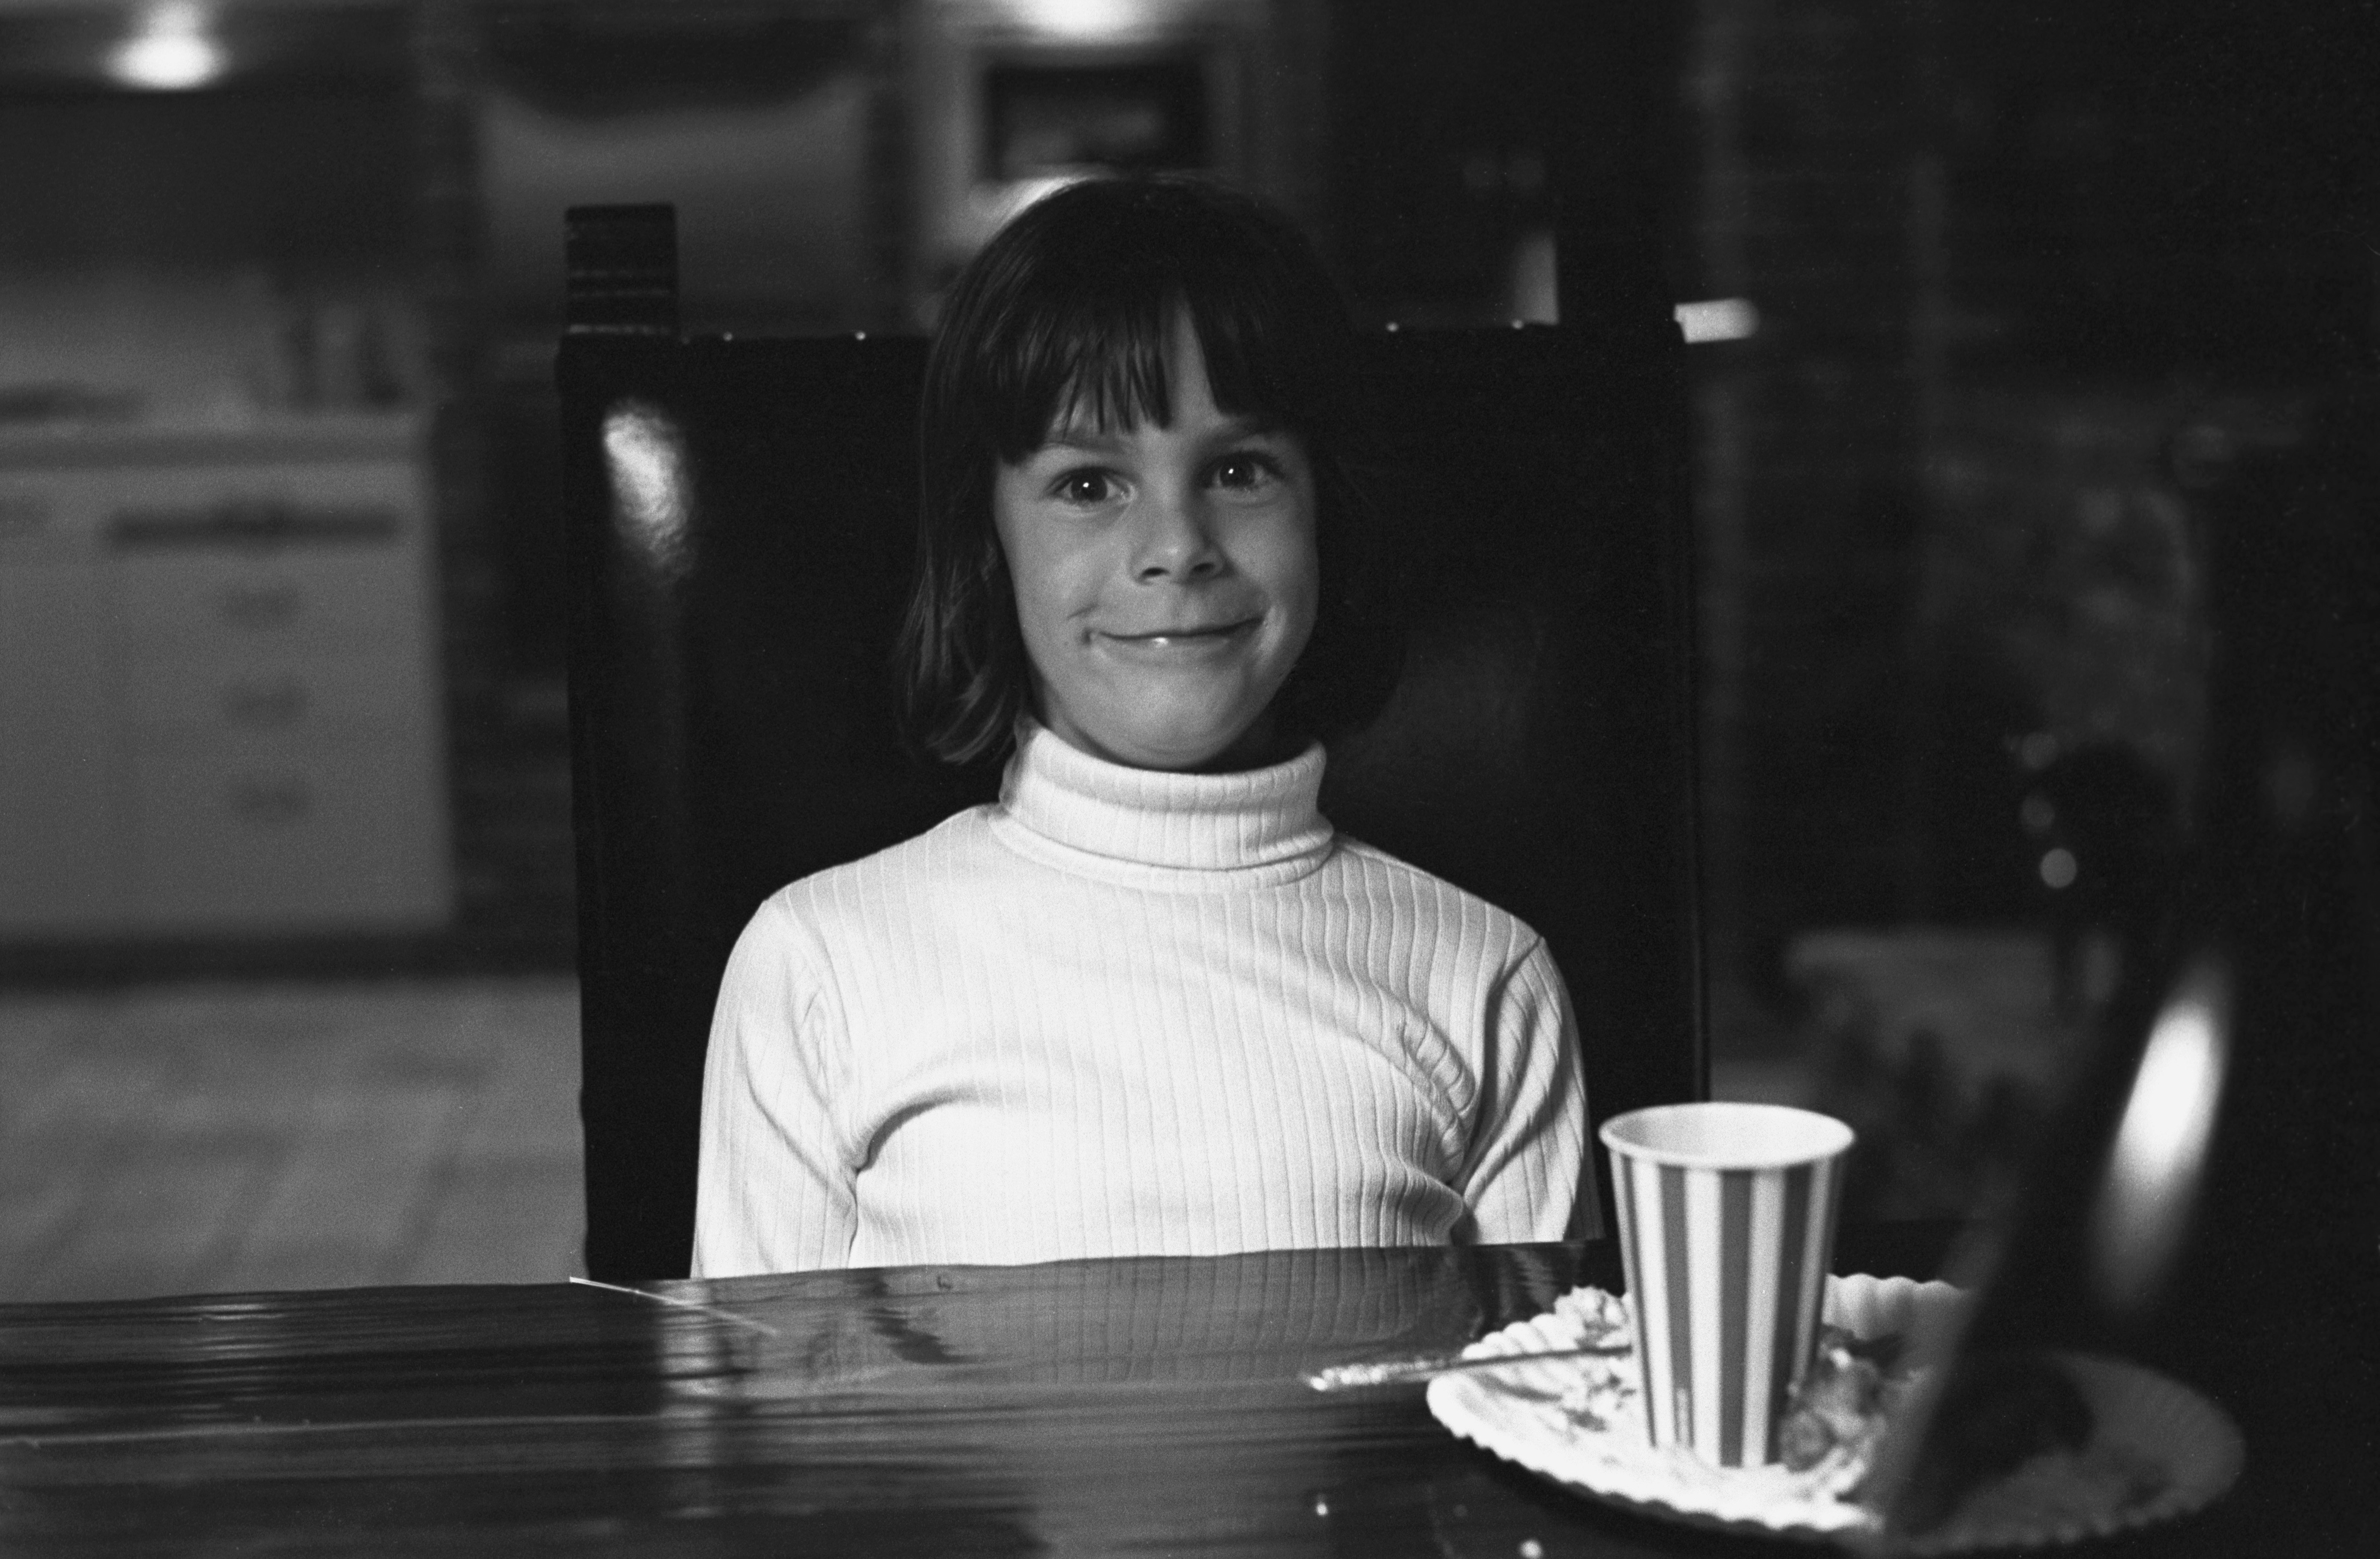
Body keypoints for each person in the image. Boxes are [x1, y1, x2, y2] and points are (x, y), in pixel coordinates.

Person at [690, 175, 1594, 1277]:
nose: (1177, 544)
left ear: (1328, 515)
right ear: (990, 542)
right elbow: (756, 1432)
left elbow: (1538, 1418)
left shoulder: (1487, 982)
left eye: (1236, 470)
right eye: (1087, 484)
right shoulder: (819, 967)